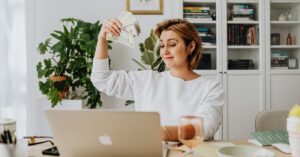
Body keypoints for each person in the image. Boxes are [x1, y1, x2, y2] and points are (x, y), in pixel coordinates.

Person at [91, 18, 225, 141]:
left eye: (172, 44)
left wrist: (161, 132)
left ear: (191, 47)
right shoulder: (147, 80)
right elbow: (101, 79)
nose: (165, 51)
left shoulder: (211, 88)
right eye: (161, 45)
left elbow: (204, 128)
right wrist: (102, 38)